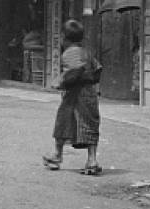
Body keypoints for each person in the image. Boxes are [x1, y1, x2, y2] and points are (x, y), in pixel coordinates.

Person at [43, 19, 104, 176]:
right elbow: (97, 71)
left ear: (64, 37)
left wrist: (61, 81)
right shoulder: (86, 52)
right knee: (90, 124)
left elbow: (74, 73)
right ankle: (92, 160)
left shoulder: (68, 54)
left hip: (73, 95)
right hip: (89, 94)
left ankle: (57, 155)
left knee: (63, 123)